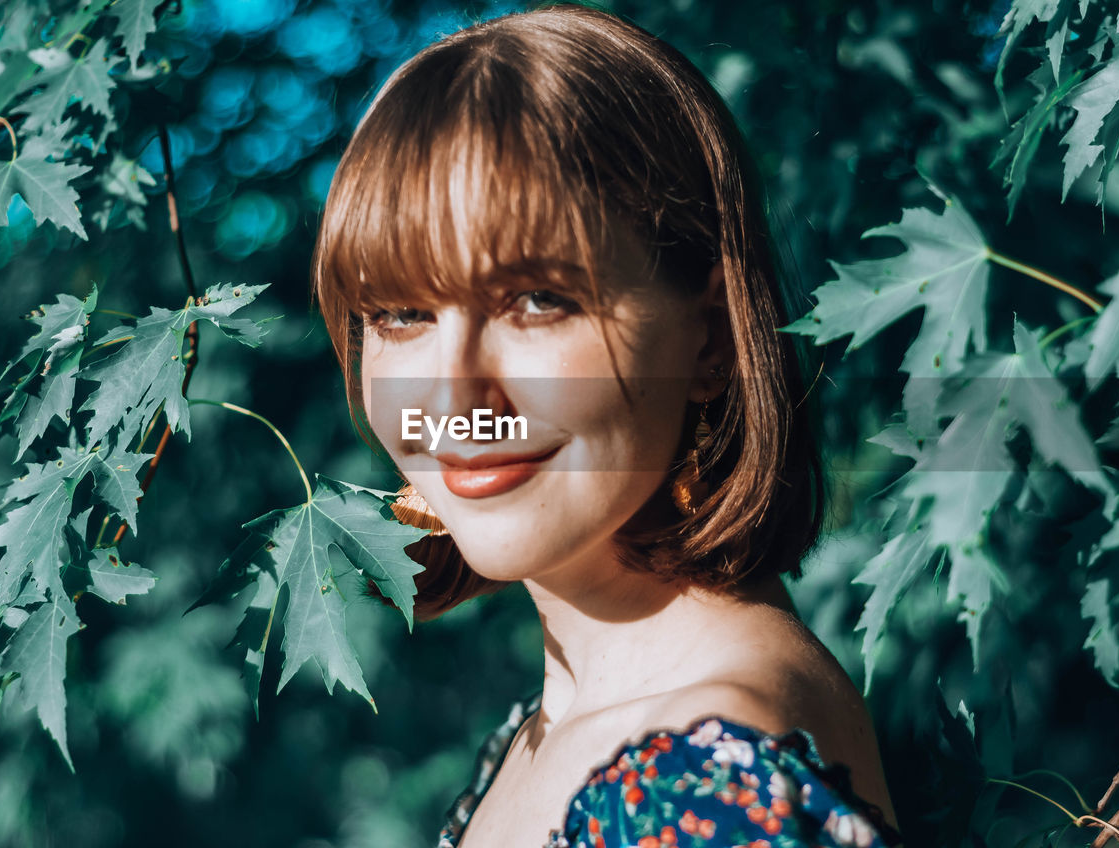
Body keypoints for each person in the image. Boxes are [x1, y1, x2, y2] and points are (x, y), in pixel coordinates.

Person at [312, 4, 903, 846]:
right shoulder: (559, 727)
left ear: (709, 336)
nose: (452, 395)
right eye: (402, 313)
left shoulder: (705, 789)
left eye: (536, 302)